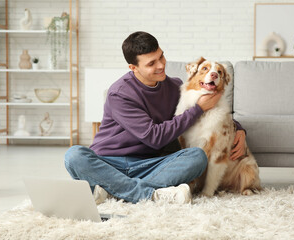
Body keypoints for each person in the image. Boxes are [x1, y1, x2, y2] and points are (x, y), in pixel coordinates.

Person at [64, 31, 246, 204]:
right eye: (151, 63)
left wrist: (238, 129)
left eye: (161, 57)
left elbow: (210, 110)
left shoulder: (174, 86)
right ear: (133, 68)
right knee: (74, 156)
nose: (160, 65)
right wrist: (197, 109)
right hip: (109, 162)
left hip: (149, 165)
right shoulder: (120, 94)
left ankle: (111, 189)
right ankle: (150, 194)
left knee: (197, 157)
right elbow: (154, 137)